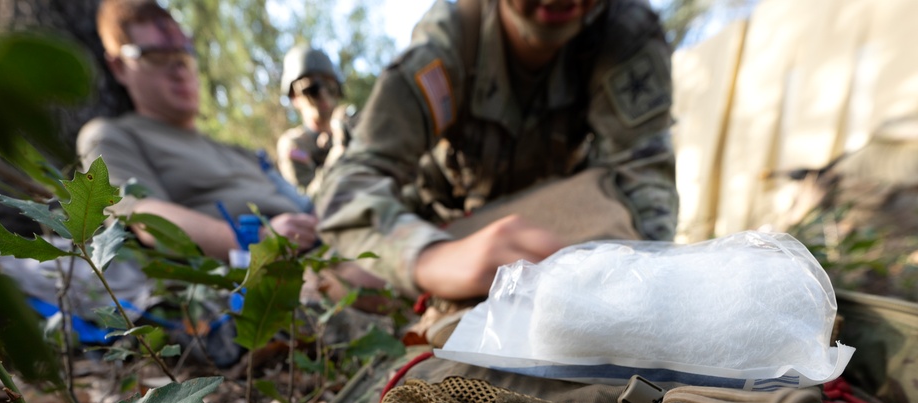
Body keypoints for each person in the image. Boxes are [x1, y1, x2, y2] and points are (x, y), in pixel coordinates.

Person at [315, 0, 678, 302]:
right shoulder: (452, 40)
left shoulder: (622, 33)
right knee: (338, 280)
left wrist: (649, 291)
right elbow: (348, 186)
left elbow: (643, 181)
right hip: (440, 227)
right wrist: (430, 256)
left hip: (551, 225)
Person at [77, 0, 318, 261]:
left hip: (323, 246)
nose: (179, 71)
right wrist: (258, 240)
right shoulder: (111, 136)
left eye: (184, 55)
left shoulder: (241, 152)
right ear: (119, 66)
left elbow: (304, 204)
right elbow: (143, 217)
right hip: (266, 269)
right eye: (156, 56)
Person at [276, 45, 344, 195]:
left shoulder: (352, 132)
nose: (323, 94)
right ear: (294, 97)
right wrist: (338, 155)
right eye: (311, 89)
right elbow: (306, 200)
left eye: (330, 86)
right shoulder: (294, 144)